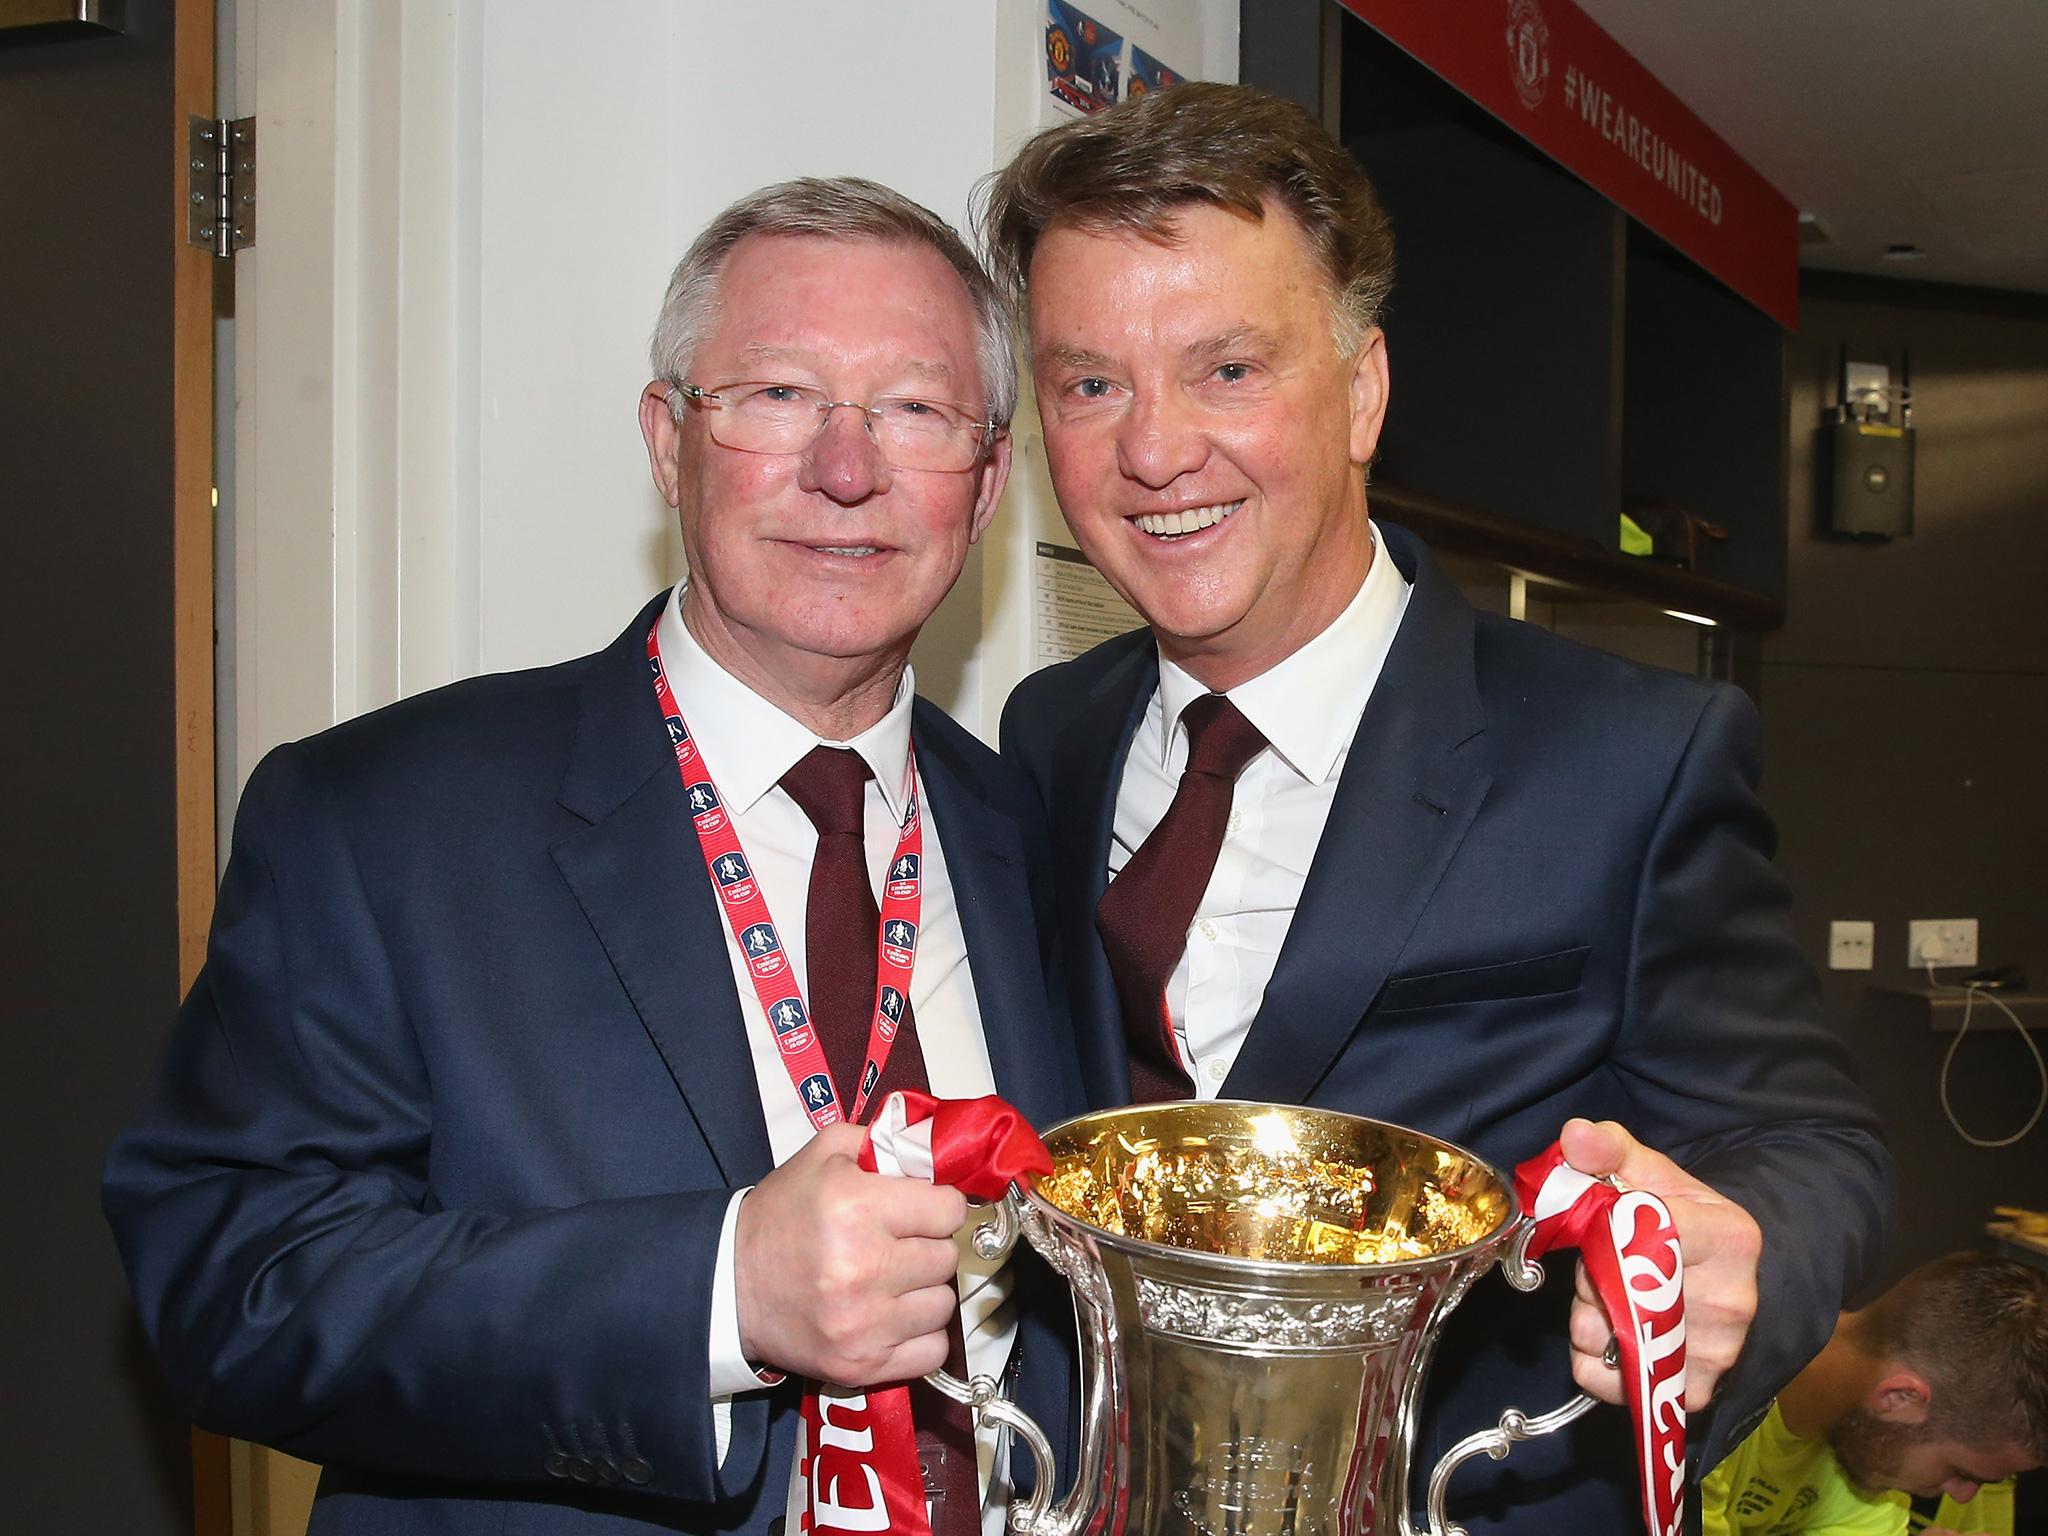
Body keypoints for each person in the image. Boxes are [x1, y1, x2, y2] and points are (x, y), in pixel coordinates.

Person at [104, 177, 1082, 1536]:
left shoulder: (1029, 832)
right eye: (779, 396)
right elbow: (235, 1288)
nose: (845, 468)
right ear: (666, 439)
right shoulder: (386, 819)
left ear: (982, 489)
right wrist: (717, 1296)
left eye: (913, 411)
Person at [982, 81, 1892, 1530]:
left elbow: (1813, 1147)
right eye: (1091, 383)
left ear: (1362, 392)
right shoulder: (1051, 731)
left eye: (1226, 370)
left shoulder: (1632, 757)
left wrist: (1740, 1258)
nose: (1152, 451)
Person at [1704, 1252, 2045, 1535]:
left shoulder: (1870, 1457)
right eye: (1962, 1474)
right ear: (1900, 1399)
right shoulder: (1705, 1397)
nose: (1962, 1498)